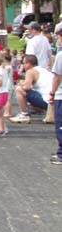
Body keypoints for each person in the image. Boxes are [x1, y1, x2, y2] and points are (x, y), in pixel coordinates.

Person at [10, 54, 53, 123]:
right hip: (54, 101)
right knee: (33, 91)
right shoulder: (43, 70)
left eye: (24, 63)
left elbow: (26, 87)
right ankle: (38, 110)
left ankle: (24, 114)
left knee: (19, 89)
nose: (23, 65)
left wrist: (21, 83)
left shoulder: (30, 71)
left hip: (46, 101)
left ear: (28, 63)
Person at [47, 27, 62, 164]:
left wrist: (51, 92)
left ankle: (61, 154)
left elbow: (57, 77)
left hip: (61, 95)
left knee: (60, 125)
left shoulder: (60, 55)